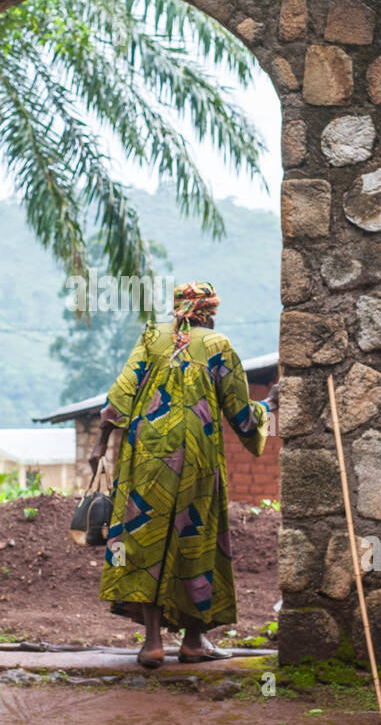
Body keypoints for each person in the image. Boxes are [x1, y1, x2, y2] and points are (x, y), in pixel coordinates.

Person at [89, 281, 278, 669]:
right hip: (197, 457)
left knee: (143, 541)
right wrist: (268, 407)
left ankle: (153, 644)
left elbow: (121, 392)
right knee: (196, 537)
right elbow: (240, 414)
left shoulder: (152, 337)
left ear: (178, 308)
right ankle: (193, 641)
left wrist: (99, 445)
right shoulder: (217, 345)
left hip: (146, 456)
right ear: (207, 311)